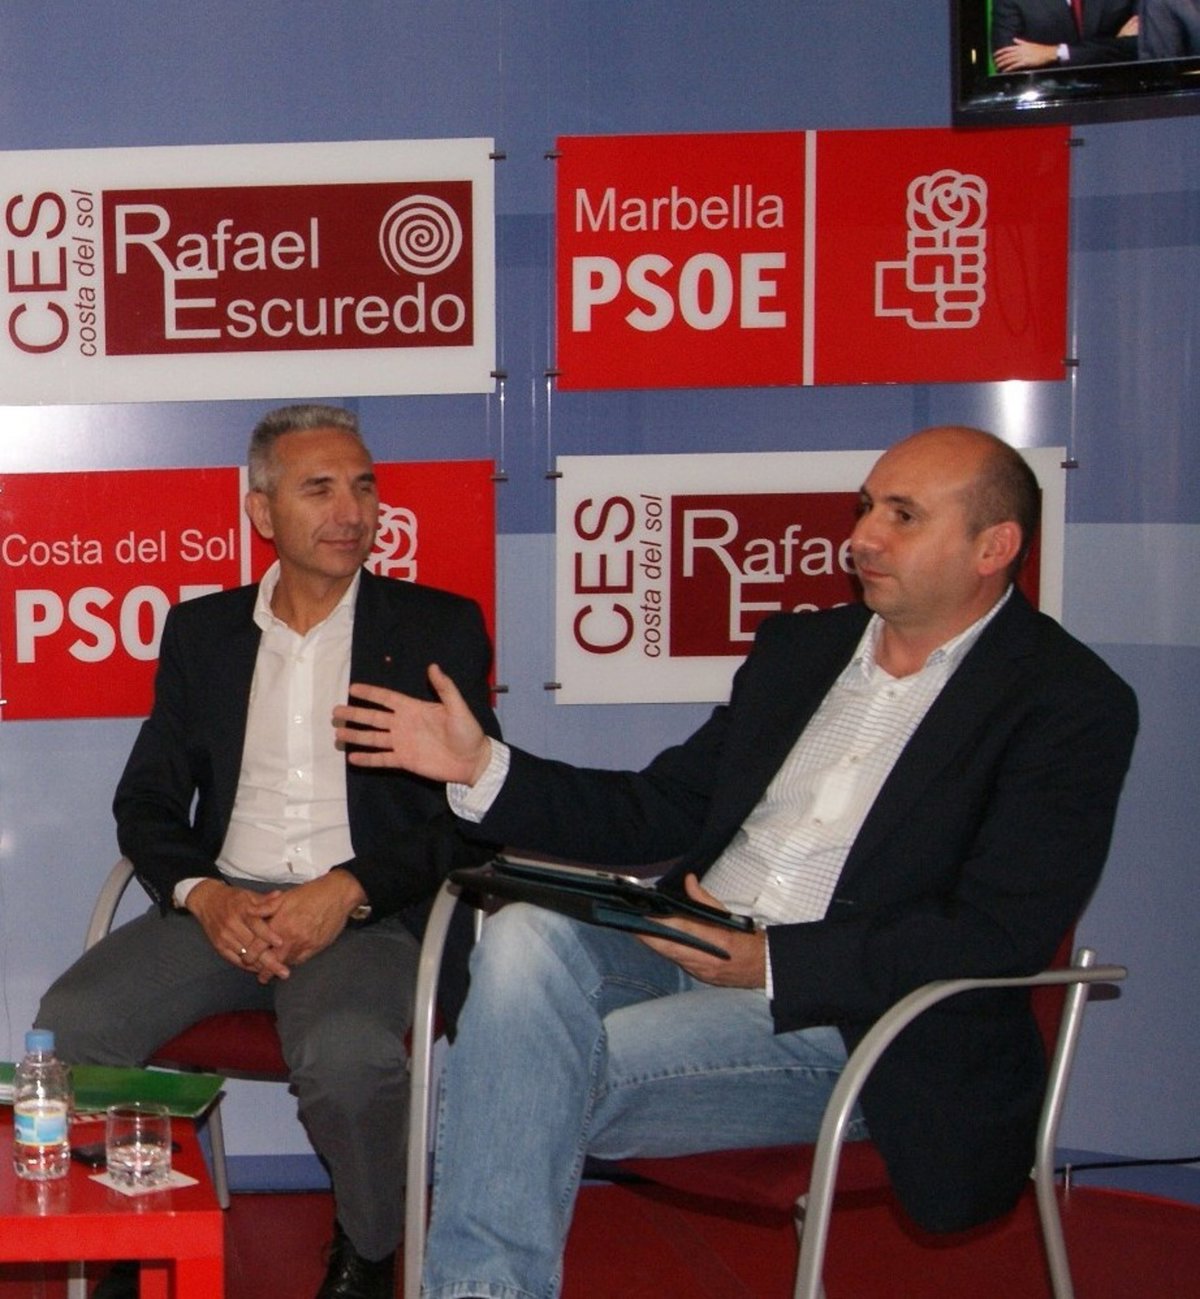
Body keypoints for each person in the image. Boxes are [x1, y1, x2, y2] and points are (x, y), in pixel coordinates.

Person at [333, 425, 1139, 1299]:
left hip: (857, 1016)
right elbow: (659, 806)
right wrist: (481, 768)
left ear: (995, 546)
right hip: (691, 936)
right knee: (524, 934)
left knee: (513, 1069)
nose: (862, 537)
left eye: (902, 516)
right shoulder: (804, 651)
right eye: (866, 507)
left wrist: (774, 960)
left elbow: (996, 930)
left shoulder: (1066, 702)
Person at [37, 403, 500, 1299]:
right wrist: (203, 893)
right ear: (261, 511)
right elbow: (146, 801)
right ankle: (124, 1243)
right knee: (74, 1024)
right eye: (319, 488)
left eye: (363, 487)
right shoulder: (204, 632)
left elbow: (470, 811)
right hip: (223, 908)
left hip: (363, 915)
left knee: (347, 1055)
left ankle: (369, 1248)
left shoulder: (435, 628)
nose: (351, 512)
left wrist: (348, 887)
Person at [992, 0, 1138, 71]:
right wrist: (1112, 45)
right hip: (1050, 103)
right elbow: (1009, 62)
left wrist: (1055, 53)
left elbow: (1138, 46)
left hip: (1115, 95)